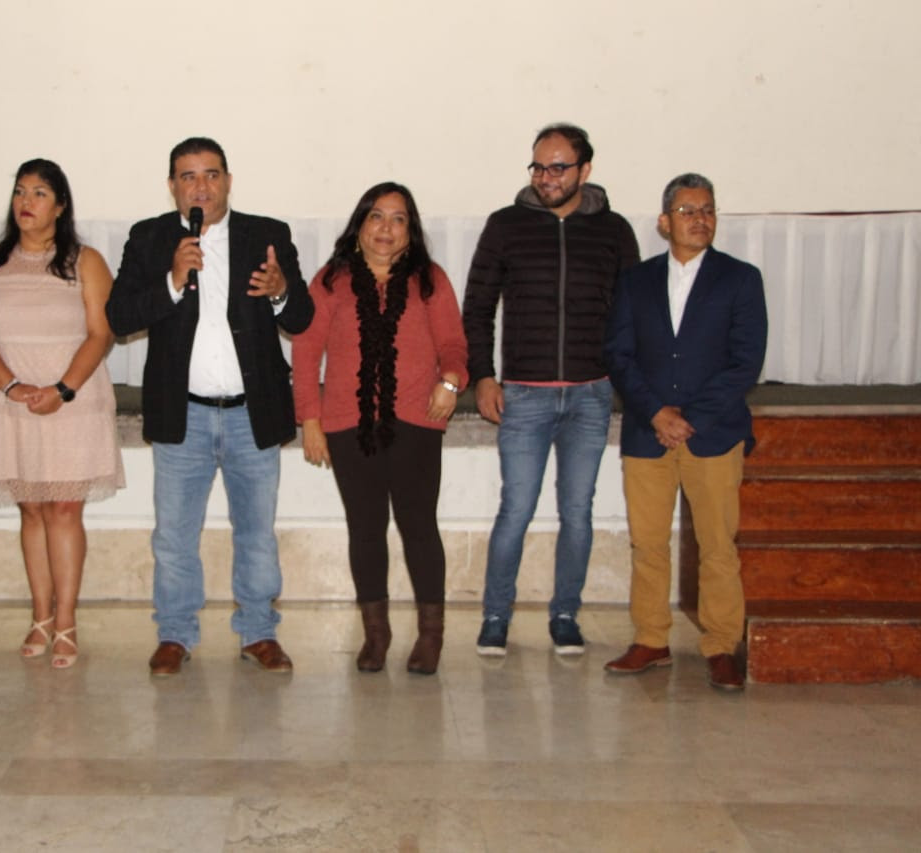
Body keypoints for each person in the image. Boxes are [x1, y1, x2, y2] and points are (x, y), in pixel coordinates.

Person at [105, 137, 313, 676]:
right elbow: (119, 317)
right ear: (172, 186)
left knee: (256, 532)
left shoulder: (267, 235)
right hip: (183, 414)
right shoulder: (150, 238)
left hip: (252, 412)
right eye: (188, 177)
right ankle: (174, 634)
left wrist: (281, 290)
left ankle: (259, 631)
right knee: (174, 535)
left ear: (228, 181)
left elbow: (302, 319)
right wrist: (172, 282)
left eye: (211, 175)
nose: (201, 187)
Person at [462, 123, 639, 657]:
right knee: (515, 509)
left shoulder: (614, 231)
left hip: (590, 395)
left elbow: (631, 313)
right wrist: (483, 375)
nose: (546, 177)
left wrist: (624, 380)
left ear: (585, 170)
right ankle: (496, 616)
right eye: (539, 167)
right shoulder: (506, 225)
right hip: (524, 395)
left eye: (558, 167)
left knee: (578, 511)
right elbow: (477, 307)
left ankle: (566, 614)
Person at [293, 182, 467, 675]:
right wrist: (310, 420)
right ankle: (377, 633)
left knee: (419, 528)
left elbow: (454, 346)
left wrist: (450, 383)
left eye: (398, 218)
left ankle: (430, 636)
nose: (386, 228)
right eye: (376, 216)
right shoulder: (331, 281)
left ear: (410, 231)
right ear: (359, 225)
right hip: (348, 426)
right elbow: (306, 354)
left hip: (417, 421)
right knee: (365, 530)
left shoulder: (430, 280)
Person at [603, 173, 767, 691]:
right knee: (648, 544)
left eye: (708, 210)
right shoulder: (636, 281)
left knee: (717, 545)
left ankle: (721, 645)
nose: (700, 219)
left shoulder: (740, 279)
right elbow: (619, 356)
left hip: (713, 433)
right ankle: (651, 639)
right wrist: (656, 413)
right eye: (688, 210)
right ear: (664, 222)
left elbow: (746, 362)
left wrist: (688, 417)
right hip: (648, 434)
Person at [0, 158, 124, 670]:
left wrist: (63, 389)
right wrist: (11, 385)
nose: (26, 202)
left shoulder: (86, 261)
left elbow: (101, 333)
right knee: (31, 509)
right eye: (20, 191)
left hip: (72, 401)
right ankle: (40, 616)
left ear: (60, 206)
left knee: (64, 509)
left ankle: (67, 621)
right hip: (12, 401)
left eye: (38, 193)